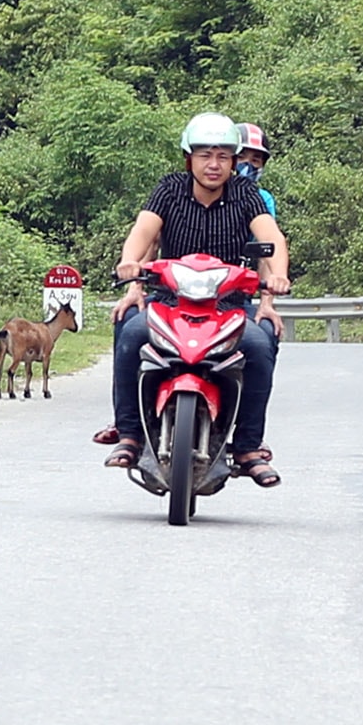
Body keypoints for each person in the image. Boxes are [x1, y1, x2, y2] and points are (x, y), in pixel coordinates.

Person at [97, 112, 293, 486]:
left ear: (234, 161)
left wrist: (277, 276)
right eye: (205, 155)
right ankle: (130, 434)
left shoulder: (246, 194)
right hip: (169, 301)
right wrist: (129, 264)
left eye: (223, 156)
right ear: (189, 158)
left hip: (228, 305)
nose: (214, 164)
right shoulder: (170, 189)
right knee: (130, 329)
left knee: (260, 341)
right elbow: (144, 231)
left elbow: (273, 239)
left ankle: (248, 446)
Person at [234, 122, 279, 217]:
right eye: (240, 157)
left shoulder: (264, 199)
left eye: (255, 160)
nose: (247, 165)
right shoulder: (209, 193)